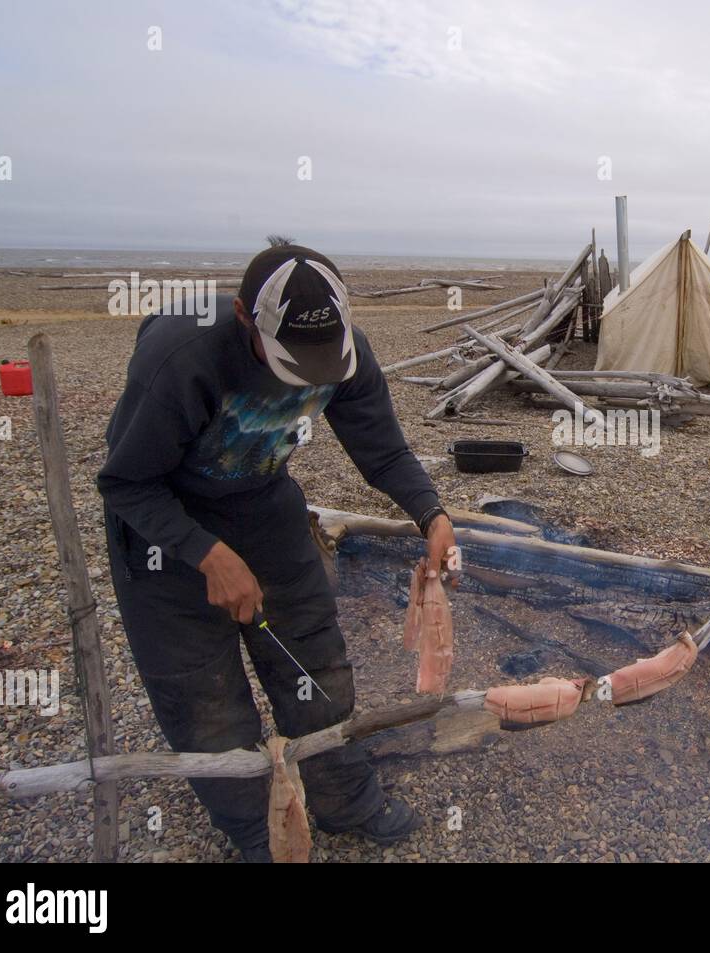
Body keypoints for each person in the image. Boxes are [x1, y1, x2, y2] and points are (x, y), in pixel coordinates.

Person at [97, 241, 455, 861]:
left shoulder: (348, 353)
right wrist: (206, 554)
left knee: (317, 662)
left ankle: (343, 799)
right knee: (204, 697)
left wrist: (431, 512)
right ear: (244, 318)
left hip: (265, 507)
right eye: (297, 361)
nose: (316, 373)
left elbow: (384, 450)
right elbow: (125, 481)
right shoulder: (183, 358)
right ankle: (257, 830)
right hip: (165, 526)